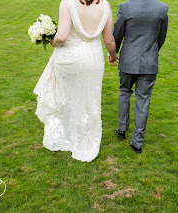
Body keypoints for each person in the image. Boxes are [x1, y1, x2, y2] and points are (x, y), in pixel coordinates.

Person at [33, 0, 118, 162]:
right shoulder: (105, 5)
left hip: (69, 59)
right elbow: (108, 40)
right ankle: (84, 140)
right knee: (89, 100)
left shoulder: (67, 2)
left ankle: (67, 135)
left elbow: (62, 37)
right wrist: (113, 56)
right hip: (93, 59)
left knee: (67, 98)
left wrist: (52, 41)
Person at [113, 0, 168, 154]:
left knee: (124, 92)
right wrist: (152, 51)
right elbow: (161, 37)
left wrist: (114, 52)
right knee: (143, 100)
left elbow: (117, 34)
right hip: (149, 61)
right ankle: (137, 141)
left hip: (128, 60)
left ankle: (122, 129)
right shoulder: (162, 8)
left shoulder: (125, 7)